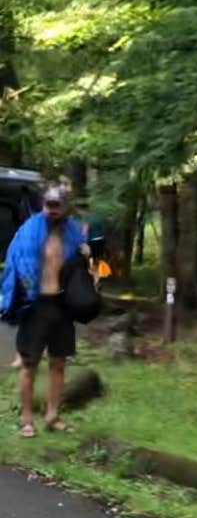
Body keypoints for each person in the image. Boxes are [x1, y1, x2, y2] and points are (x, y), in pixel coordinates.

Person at [0, 181, 89, 437]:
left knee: (58, 362)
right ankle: (26, 419)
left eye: (56, 205)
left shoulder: (72, 233)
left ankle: (52, 415)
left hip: (61, 306)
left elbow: (81, 264)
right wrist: (12, 302)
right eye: (47, 204)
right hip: (35, 304)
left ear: (66, 207)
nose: (50, 209)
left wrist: (86, 250)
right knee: (29, 364)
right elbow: (14, 266)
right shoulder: (29, 231)